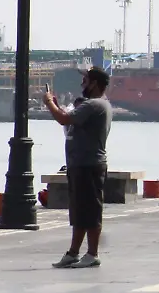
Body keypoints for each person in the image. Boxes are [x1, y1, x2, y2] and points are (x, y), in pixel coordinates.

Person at [45, 67, 112, 269]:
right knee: (79, 212)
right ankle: (73, 253)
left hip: (89, 164)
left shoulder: (94, 105)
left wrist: (48, 101)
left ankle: (92, 254)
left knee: (90, 210)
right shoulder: (93, 106)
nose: (82, 84)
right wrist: (57, 105)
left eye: (85, 80)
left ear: (94, 84)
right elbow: (69, 119)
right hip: (80, 164)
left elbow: (63, 119)